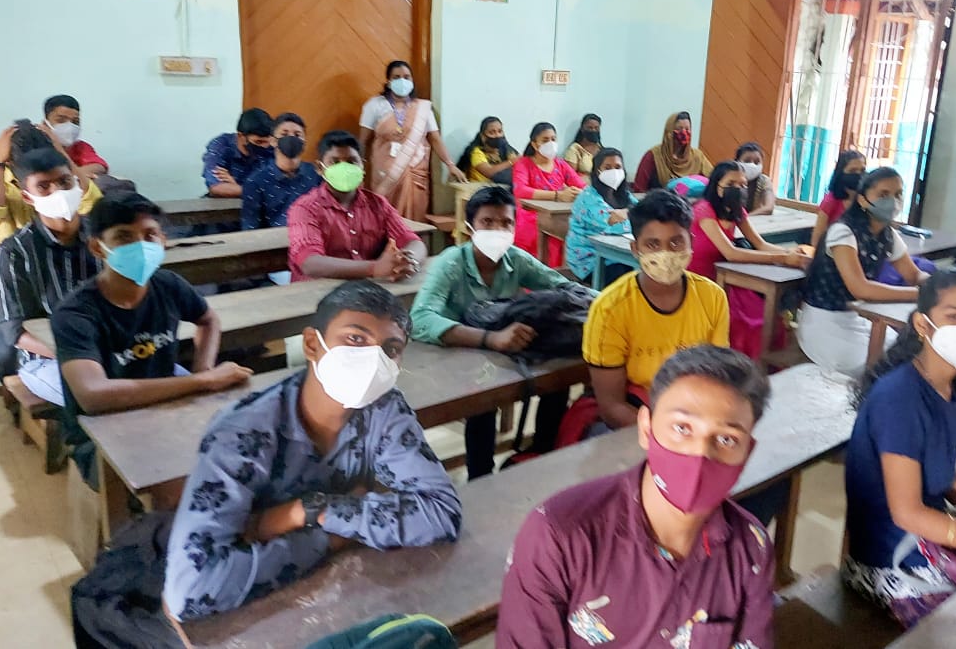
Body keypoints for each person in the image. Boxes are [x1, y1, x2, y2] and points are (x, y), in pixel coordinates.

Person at [163, 280, 462, 620]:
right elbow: (191, 591)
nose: (373, 359)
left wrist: (309, 511)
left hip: (341, 596)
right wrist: (331, 538)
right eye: (355, 339)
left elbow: (441, 513)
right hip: (255, 621)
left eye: (390, 349)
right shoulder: (243, 432)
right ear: (311, 344)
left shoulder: (383, 408)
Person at [497, 345, 775, 649]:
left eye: (726, 439)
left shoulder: (751, 550)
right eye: (682, 428)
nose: (700, 453)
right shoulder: (559, 536)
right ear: (646, 428)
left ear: (747, 451)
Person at [845, 268, 956, 628]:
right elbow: (908, 514)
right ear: (922, 325)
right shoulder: (900, 398)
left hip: (926, 539)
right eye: (955, 317)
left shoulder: (951, 387)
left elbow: (947, 476)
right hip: (887, 562)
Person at [51, 191, 253, 485]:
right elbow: (93, 396)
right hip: (100, 433)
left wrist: (204, 368)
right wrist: (202, 381)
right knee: (177, 482)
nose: (140, 246)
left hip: (166, 406)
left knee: (244, 449)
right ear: (97, 247)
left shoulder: (167, 284)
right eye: (124, 237)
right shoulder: (75, 313)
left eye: (150, 235)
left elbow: (208, 319)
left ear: (163, 241)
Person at [410, 187, 573, 480]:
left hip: (502, 347)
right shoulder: (452, 262)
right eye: (487, 222)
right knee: (482, 400)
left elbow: (563, 286)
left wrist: (607, 302)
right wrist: (489, 339)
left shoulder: (516, 259)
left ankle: (540, 456)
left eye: (506, 223)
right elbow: (420, 318)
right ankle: (481, 477)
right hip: (457, 349)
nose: (497, 230)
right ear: (470, 226)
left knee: (556, 379)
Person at [584, 190, 729, 431]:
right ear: (635, 249)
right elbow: (612, 407)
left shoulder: (712, 297)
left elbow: (716, 378)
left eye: (676, 242)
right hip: (635, 419)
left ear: (691, 242)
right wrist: (670, 434)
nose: (666, 254)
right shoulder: (610, 309)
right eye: (653, 245)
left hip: (693, 412)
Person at [797, 167, 927, 378]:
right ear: (863, 200)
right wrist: (919, 293)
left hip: (855, 319)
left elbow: (914, 275)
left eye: (898, 194)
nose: (893, 201)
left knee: (909, 353)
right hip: (823, 324)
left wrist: (936, 283)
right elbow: (860, 289)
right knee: (886, 364)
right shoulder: (843, 232)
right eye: (883, 194)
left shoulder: (888, 234)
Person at [0, 148, 99, 393]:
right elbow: (15, 331)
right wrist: (81, 354)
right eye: (44, 187)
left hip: (114, 345)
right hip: (47, 358)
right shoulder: (15, 252)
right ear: (27, 197)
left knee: (172, 376)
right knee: (100, 393)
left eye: (65, 182)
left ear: (76, 183)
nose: (58, 192)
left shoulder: (104, 236)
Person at [688, 161, 812, 358]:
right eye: (731, 184)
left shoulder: (737, 211)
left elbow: (761, 244)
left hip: (727, 278)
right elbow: (731, 253)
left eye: (743, 184)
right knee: (747, 323)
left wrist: (792, 254)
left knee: (768, 318)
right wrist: (783, 258)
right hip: (700, 280)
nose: (738, 189)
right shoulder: (704, 210)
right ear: (716, 186)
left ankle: (759, 365)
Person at [287, 130, 426, 283]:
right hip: (317, 289)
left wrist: (408, 261)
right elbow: (310, 263)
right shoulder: (304, 208)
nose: (344, 168)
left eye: (351, 162)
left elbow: (413, 242)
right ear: (320, 168)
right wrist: (374, 268)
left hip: (366, 286)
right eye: (335, 162)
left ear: (362, 166)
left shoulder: (377, 204)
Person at [358, 60, 466, 220]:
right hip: (384, 173)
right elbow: (362, 140)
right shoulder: (375, 105)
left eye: (406, 77)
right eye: (396, 77)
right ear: (388, 81)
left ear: (412, 80)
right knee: (383, 217)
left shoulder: (423, 108)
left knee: (415, 217)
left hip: (415, 171)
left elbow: (435, 139)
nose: (402, 80)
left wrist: (450, 165)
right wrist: (358, 166)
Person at [0, 120, 102, 242]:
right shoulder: (4, 184)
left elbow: (93, 205)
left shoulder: (63, 178)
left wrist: (60, 152)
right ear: (9, 162)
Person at [511, 122, 586, 267]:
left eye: (553, 139)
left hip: (556, 214)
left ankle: (562, 274)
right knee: (547, 234)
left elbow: (581, 185)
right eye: (545, 140)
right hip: (530, 214)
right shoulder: (523, 164)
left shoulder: (561, 164)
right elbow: (521, 191)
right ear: (534, 144)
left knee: (572, 229)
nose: (550, 143)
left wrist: (580, 193)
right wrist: (557, 195)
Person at [564, 148, 638, 285]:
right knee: (627, 280)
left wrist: (628, 213)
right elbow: (615, 225)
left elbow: (642, 212)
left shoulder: (623, 194)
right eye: (607, 168)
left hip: (618, 254)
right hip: (589, 260)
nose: (614, 172)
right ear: (597, 171)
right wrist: (632, 215)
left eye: (618, 167)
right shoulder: (587, 198)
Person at [240, 112, 322, 231]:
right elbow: (250, 228)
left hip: (310, 237)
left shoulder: (315, 174)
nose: (291, 138)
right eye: (284, 134)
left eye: (297, 135)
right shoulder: (255, 181)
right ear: (273, 141)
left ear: (304, 142)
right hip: (273, 241)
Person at [202, 108, 275, 198]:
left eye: (267, 142)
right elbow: (216, 188)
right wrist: (257, 191)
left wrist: (235, 187)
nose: (264, 146)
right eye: (258, 142)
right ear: (241, 136)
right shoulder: (221, 145)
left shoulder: (271, 149)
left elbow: (278, 189)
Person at [633, 111, 713, 192]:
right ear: (669, 132)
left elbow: (714, 180)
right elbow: (639, 189)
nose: (684, 133)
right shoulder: (653, 156)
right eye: (679, 129)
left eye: (687, 129)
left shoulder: (698, 157)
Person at [42, 94, 108, 181]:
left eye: (75, 122)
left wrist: (69, 176)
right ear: (45, 124)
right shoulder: (33, 144)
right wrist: (78, 175)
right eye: (61, 120)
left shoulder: (80, 147)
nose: (70, 126)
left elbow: (99, 166)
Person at [809, 151, 866, 250]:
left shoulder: (866, 200)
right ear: (841, 172)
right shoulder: (831, 201)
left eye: (862, 170)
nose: (858, 175)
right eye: (852, 171)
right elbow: (817, 239)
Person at [455, 116, 518, 185]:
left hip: (501, 187)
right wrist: (511, 162)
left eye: (500, 131)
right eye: (492, 132)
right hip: (479, 189)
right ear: (483, 136)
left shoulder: (506, 148)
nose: (497, 135)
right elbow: (489, 172)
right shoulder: (476, 152)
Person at [735, 141, 777, 216]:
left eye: (757, 162)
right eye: (747, 161)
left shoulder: (764, 181)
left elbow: (769, 207)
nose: (752, 165)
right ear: (737, 162)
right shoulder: (730, 179)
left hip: (754, 220)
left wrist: (745, 218)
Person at [563, 113, 603, 178]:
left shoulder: (601, 149)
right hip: (583, 184)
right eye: (590, 128)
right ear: (582, 129)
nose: (593, 130)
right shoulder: (575, 149)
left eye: (596, 128)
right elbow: (570, 177)